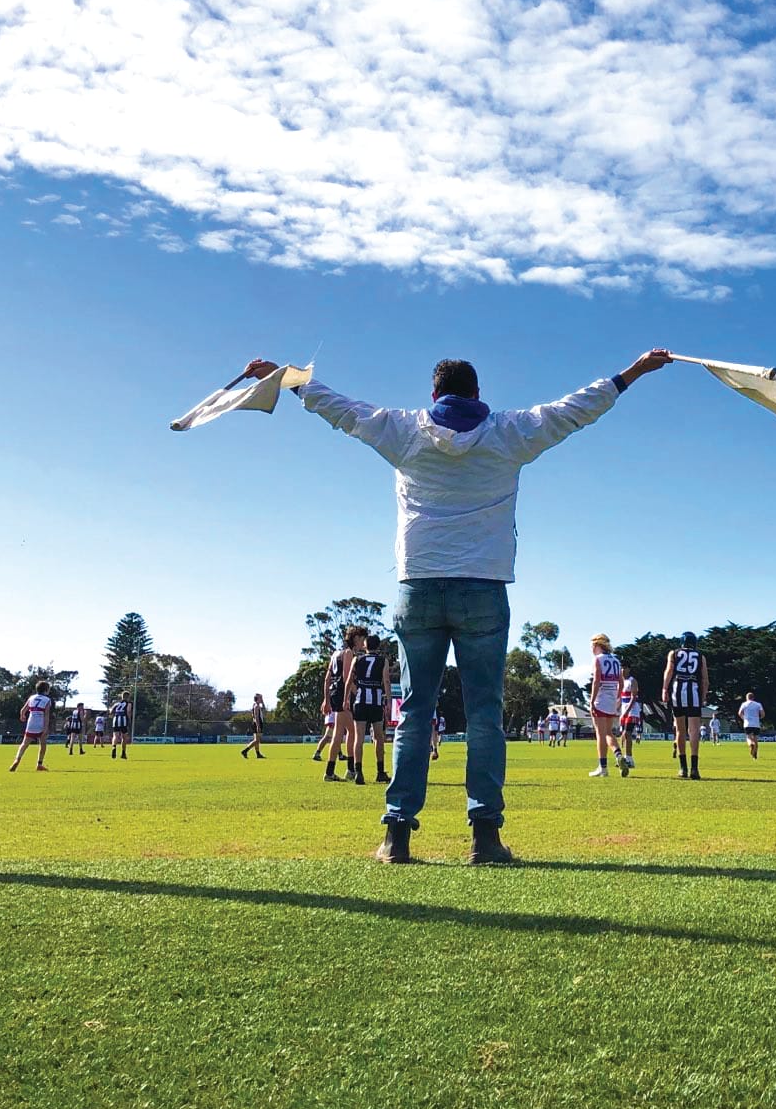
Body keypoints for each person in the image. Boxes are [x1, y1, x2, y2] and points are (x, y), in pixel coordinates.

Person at [243, 348, 673, 864]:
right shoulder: (510, 431)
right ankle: (485, 837)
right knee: (486, 713)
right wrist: (631, 374)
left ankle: (396, 835)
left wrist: (286, 379)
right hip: (484, 588)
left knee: (416, 713)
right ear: (477, 393)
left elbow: (340, 409)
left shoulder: (403, 429)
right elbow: (575, 409)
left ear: (433, 394)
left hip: (418, 586)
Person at [349, 634, 393, 785]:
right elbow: (386, 681)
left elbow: (349, 681)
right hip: (375, 702)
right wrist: (389, 701)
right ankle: (380, 772)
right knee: (378, 737)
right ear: (378, 646)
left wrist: (347, 698)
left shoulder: (357, 659)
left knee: (359, 738)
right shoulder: (383, 661)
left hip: (360, 702)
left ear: (365, 645)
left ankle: (358, 772)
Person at [664, 631, 709, 780]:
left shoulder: (674, 654)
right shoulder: (700, 656)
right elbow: (704, 679)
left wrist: (664, 689)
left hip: (678, 693)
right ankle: (694, 768)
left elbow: (669, 671)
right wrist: (703, 697)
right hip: (694, 693)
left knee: (680, 730)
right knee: (694, 731)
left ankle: (683, 767)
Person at [321, 627, 362, 782]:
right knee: (345, 733)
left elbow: (327, 678)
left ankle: (342, 770)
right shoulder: (348, 653)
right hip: (343, 694)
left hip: (334, 693)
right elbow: (347, 677)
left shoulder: (335, 653)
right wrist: (357, 693)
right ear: (356, 638)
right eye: (362, 639)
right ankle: (337, 771)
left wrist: (326, 699)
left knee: (346, 732)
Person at [587, 634, 627, 778]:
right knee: (609, 732)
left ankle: (602, 767)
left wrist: (592, 700)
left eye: (592, 645)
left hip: (600, 699)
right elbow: (621, 683)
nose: (591, 649)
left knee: (600, 734)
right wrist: (617, 699)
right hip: (611, 700)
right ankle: (618, 755)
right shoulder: (616, 660)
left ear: (598, 645)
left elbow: (596, 680)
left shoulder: (597, 660)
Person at [9, 681, 53, 772]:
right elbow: (46, 715)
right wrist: (45, 728)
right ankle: (39, 764)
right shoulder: (47, 700)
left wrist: (22, 716)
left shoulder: (31, 698)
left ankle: (17, 760)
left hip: (31, 722)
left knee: (24, 744)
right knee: (43, 744)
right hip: (40, 723)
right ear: (46, 690)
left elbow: (22, 710)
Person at [618, 669, 642, 768]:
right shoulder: (620, 681)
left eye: (624, 667)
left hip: (632, 711)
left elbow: (633, 697)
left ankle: (629, 759)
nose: (622, 670)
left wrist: (627, 711)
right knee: (623, 734)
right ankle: (624, 758)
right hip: (624, 710)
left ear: (628, 669)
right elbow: (620, 698)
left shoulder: (632, 681)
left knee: (627, 733)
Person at [242, 693, 267, 760]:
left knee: (257, 740)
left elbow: (264, 709)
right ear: (257, 699)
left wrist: (263, 702)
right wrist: (258, 726)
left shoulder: (256, 705)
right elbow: (256, 717)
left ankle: (258, 754)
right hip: (257, 723)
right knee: (257, 740)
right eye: (260, 698)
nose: (261, 698)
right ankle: (245, 751)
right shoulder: (256, 706)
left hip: (258, 723)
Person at [738, 692, 763, 759]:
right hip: (756, 724)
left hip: (747, 723)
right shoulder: (758, 704)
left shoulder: (744, 704)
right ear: (753, 697)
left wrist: (744, 718)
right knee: (755, 739)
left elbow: (740, 713)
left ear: (747, 698)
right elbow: (763, 714)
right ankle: (755, 755)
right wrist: (759, 718)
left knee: (748, 737)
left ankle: (751, 744)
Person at [109, 693, 132, 760]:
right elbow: (128, 711)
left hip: (115, 719)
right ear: (128, 697)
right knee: (124, 737)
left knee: (115, 736)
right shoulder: (129, 703)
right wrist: (129, 720)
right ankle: (123, 753)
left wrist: (111, 711)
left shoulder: (117, 704)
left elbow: (110, 711)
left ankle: (114, 747)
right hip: (123, 720)